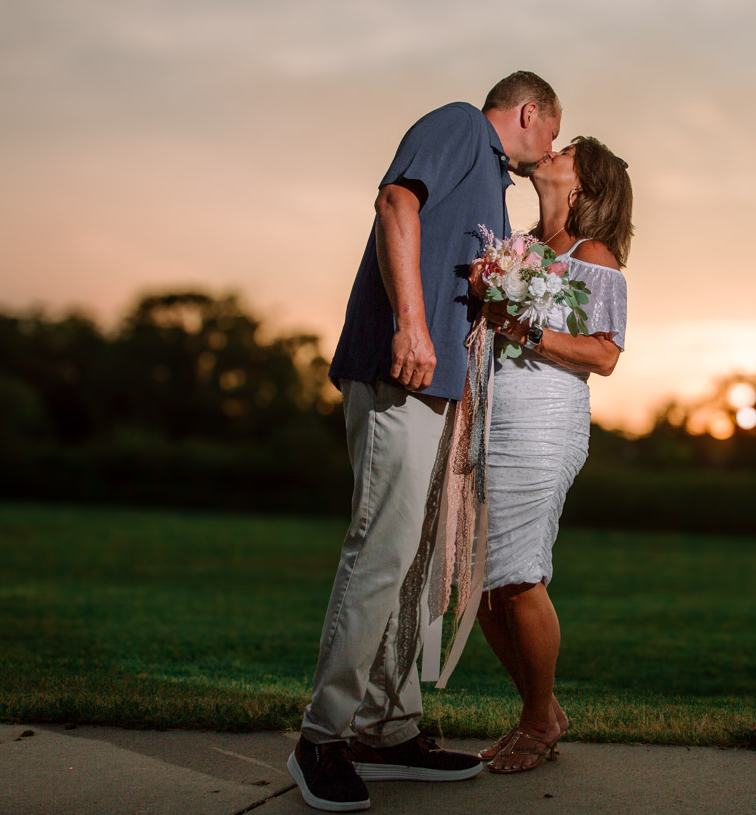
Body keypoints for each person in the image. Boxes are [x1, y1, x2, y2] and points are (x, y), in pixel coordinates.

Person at [287, 71, 562, 813]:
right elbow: (395, 202)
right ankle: (322, 735)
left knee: (418, 558)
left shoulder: (495, 185)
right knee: (382, 547)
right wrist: (411, 319)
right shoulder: (459, 127)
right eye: (552, 133)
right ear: (529, 112)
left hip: (441, 387)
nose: (551, 149)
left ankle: (387, 726)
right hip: (400, 368)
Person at [469, 136, 634, 774]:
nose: (551, 152)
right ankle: (544, 709)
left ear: (584, 184)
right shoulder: (520, 248)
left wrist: (526, 328)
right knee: (484, 585)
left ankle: (538, 722)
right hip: (491, 415)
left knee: (518, 575)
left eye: (565, 151)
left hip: (543, 421)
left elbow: (605, 354)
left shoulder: (593, 256)